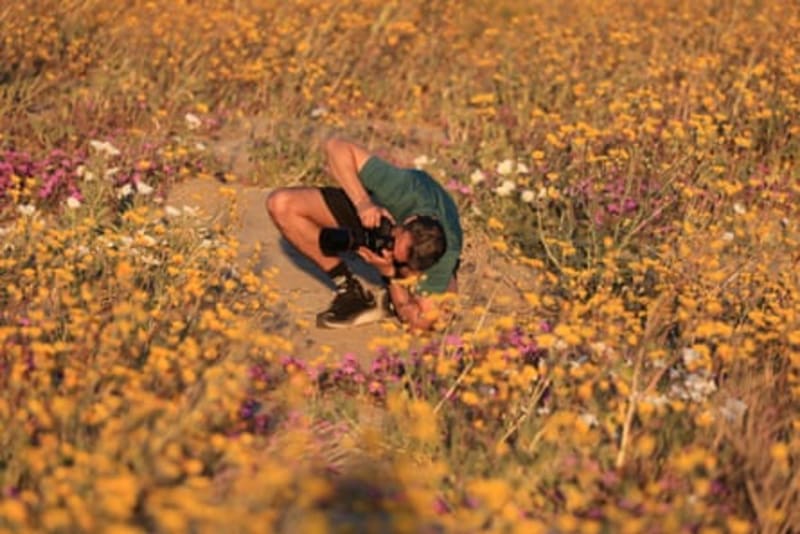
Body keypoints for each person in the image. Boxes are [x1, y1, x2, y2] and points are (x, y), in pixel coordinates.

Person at [266, 137, 462, 330]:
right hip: (375, 211)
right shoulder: (402, 190)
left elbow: (418, 322)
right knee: (281, 204)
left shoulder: (444, 253)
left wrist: (390, 274)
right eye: (392, 242)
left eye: (401, 260)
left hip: (421, 253)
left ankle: (396, 293)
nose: (390, 251)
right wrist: (363, 203)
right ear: (407, 222)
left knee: (440, 319)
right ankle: (348, 287)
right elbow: (335, 145)